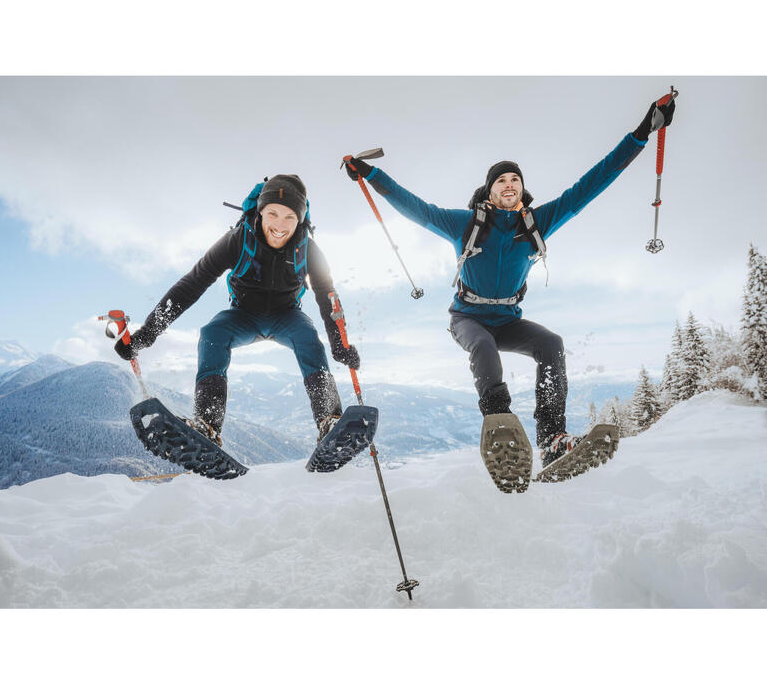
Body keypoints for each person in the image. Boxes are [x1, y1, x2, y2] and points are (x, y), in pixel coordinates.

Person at [344, 96, 676, 467]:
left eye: (515, 179)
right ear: (489, 190)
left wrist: (642, 133)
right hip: (467, 319)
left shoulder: (537, 224)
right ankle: (500, 425)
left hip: (509, 321)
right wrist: (371, 175)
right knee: (483, 346)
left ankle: (552, 438)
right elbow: (415, 207)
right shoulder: (465, 224)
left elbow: (592, 184)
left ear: (522, 189)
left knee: (551, 344)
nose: (509, 184)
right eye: (501, 180)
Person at [115, 174, 360, 446]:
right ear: (260, 212)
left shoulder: (308, 249)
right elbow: (192, 284)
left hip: (287, 316)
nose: (280, 225)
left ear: (300, 220)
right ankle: (207, 425)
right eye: (273, 214)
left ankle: (330, 421)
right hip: (243, 315)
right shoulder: (237, 240)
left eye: (290, 217)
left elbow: (328, 296)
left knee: (309, 340)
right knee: (212, 334)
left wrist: (340, 344)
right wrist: (147, 334)